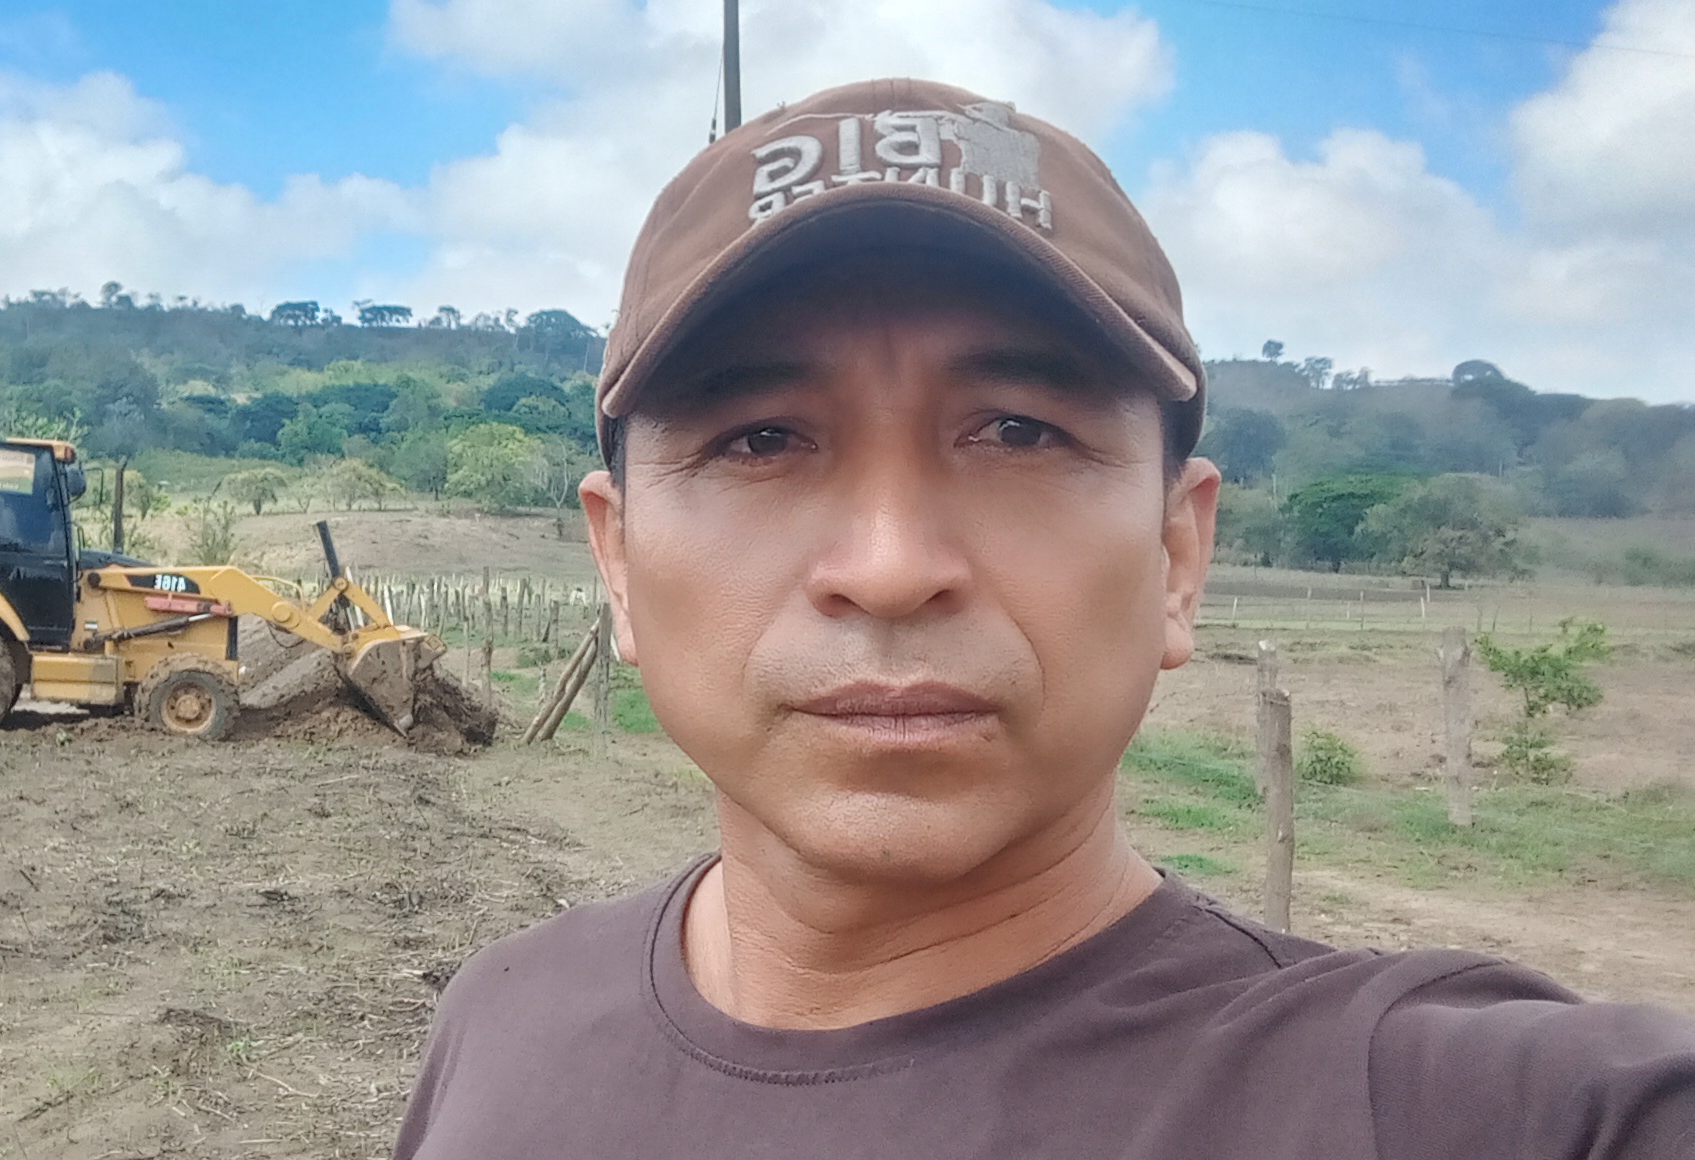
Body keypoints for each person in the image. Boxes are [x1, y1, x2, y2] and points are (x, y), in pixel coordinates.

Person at [394, 77, 1695, 1160]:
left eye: (1019, 431)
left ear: (1178, 554)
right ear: (620, 563)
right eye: (761, 438)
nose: (891, 569)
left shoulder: (1455, 1108)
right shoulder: (502, 1025)